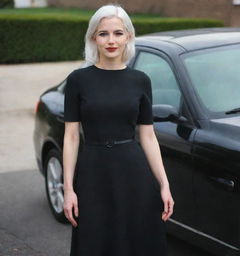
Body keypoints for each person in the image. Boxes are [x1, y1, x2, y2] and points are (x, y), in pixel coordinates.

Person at [62, 3, 175, 256]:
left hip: (134, 175)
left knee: (137, 243)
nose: (111, 40)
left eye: (118, 33)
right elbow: (70, 137)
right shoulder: (78, 80)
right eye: (104, 34)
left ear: (128, 37)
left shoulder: (140, 81)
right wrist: (68, 189)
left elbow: (147, 136)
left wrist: (164, 184)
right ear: (94, 38)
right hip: (93, 175)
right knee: (95, 243)